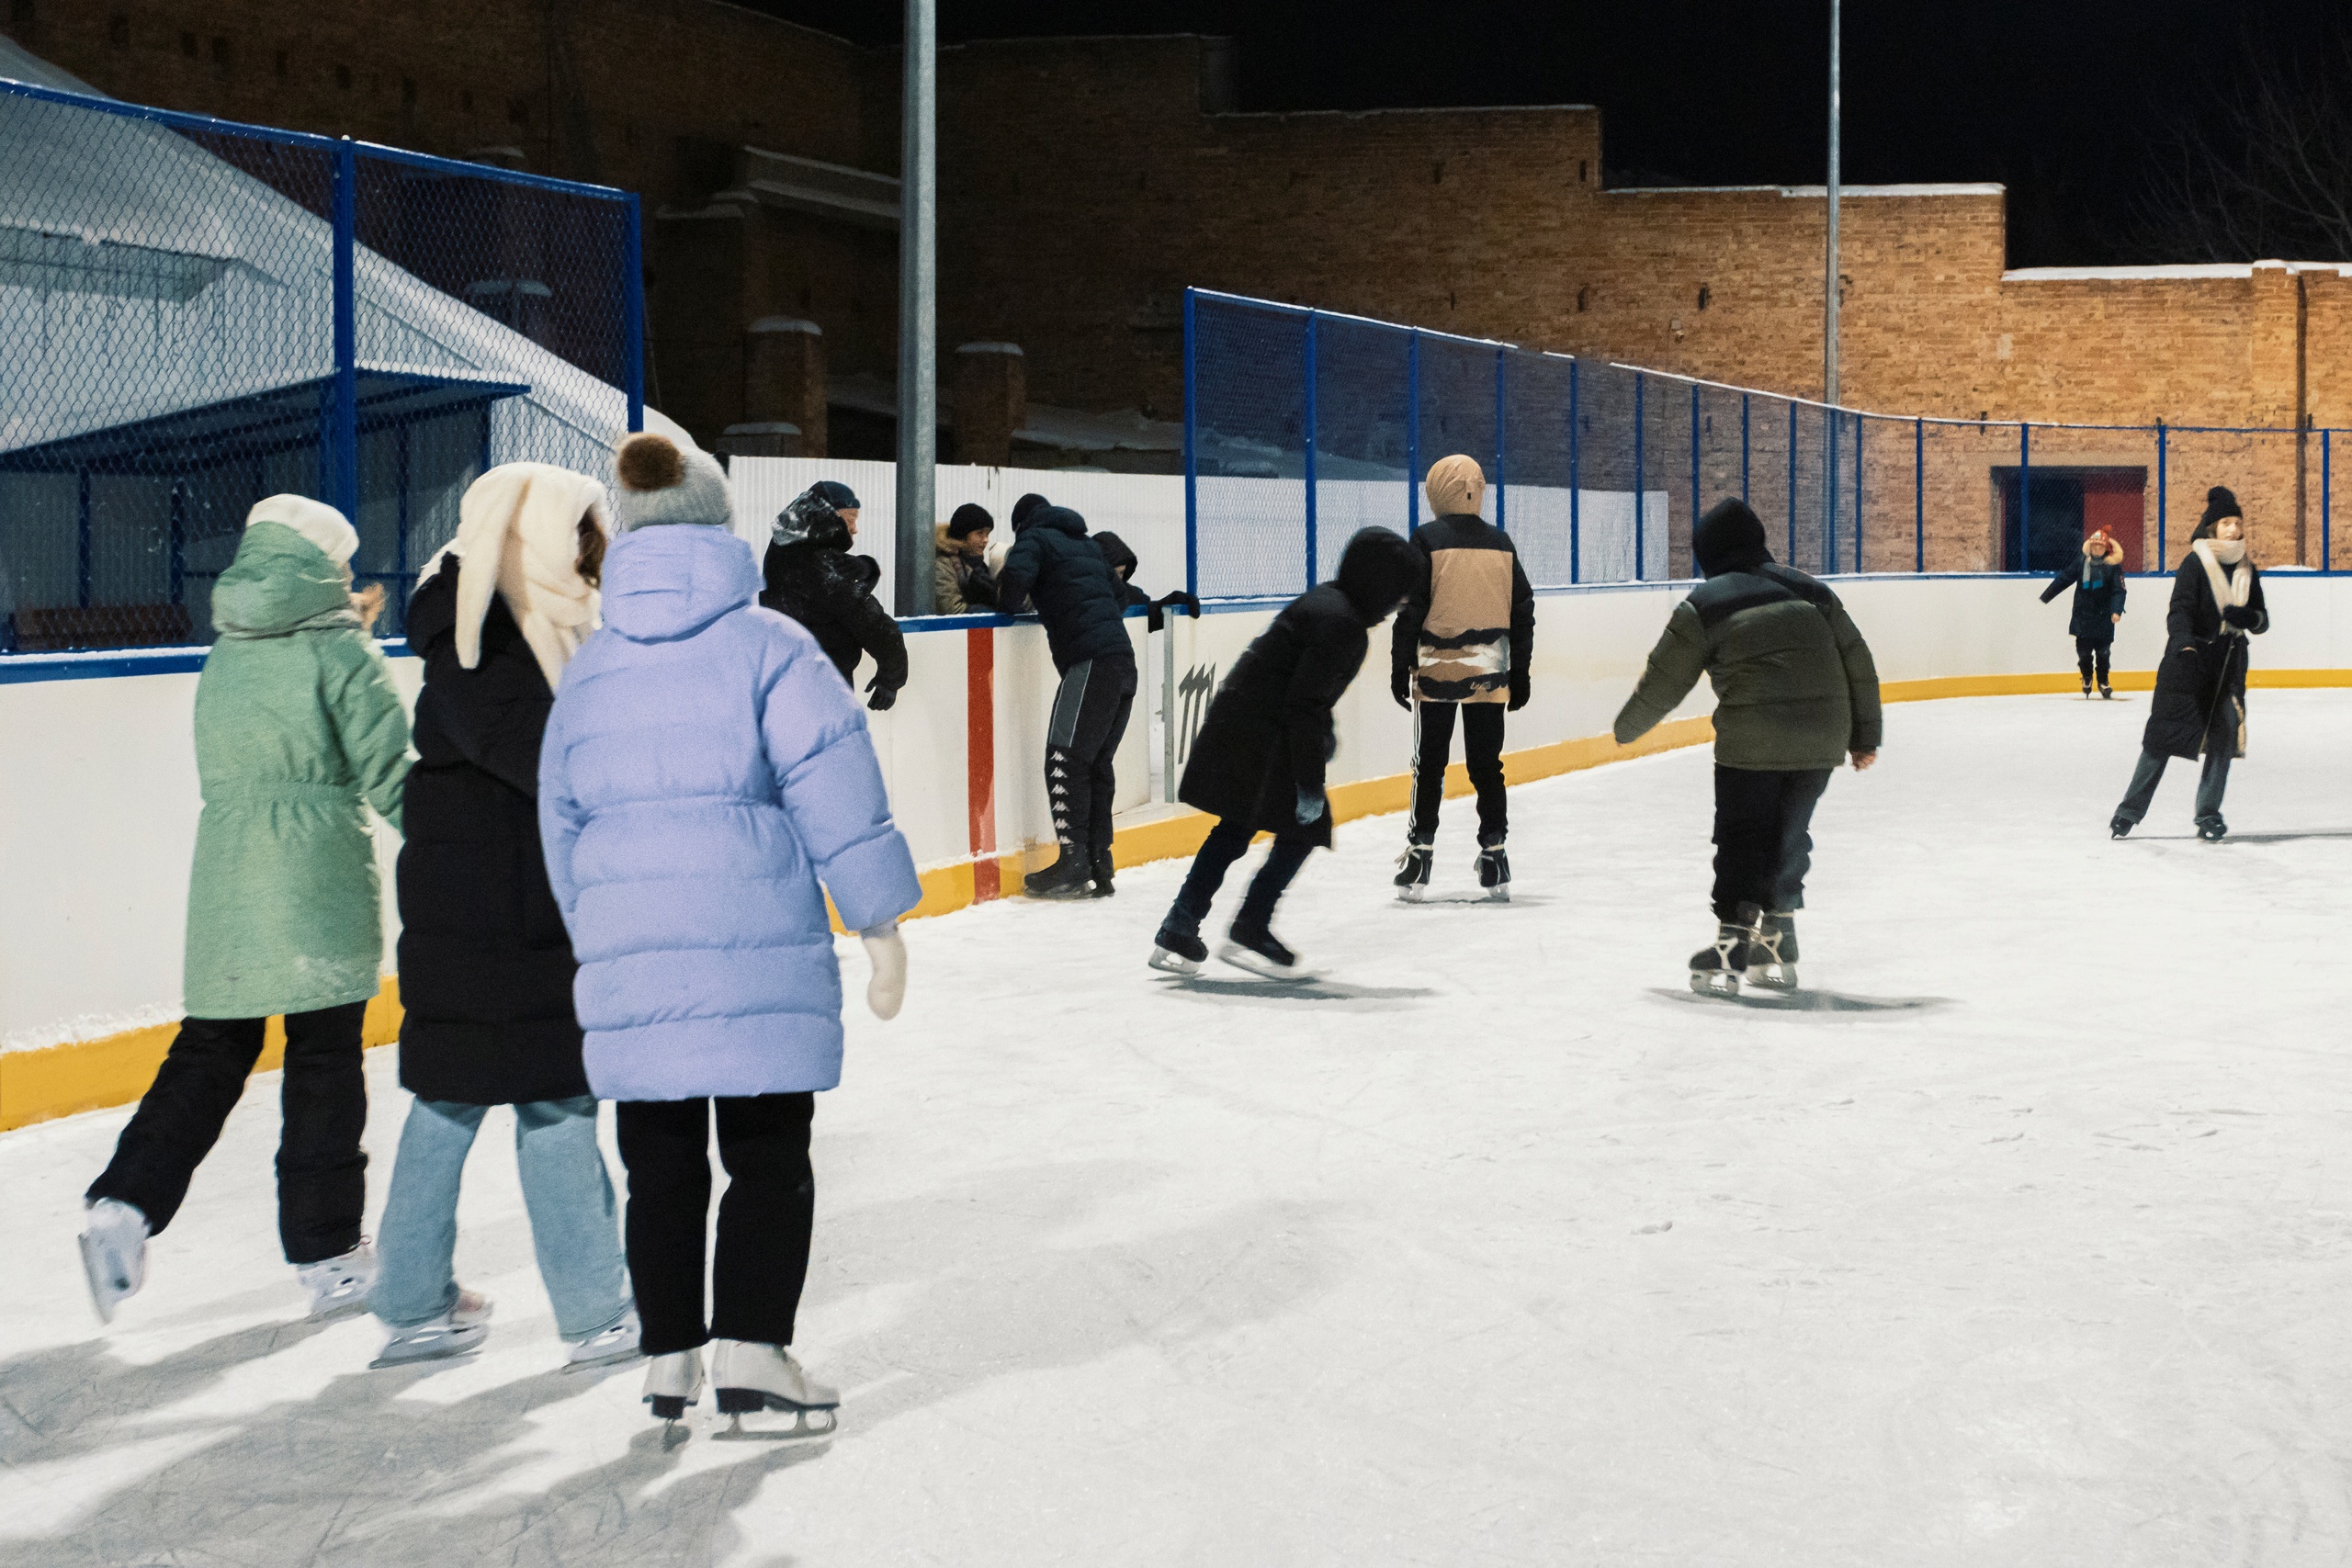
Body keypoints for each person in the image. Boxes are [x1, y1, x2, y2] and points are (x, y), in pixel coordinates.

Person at [539, 433, 921, 1437]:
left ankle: (669, 1361)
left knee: (659, 1165)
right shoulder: (772, 647)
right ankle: (752, 1355)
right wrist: (877, 920)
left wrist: (601, 935)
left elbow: (560, 822)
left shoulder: (592, 669)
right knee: (765, 1156)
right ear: (721, 530)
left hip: (631, 961)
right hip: (756, 947)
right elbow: (836, 789)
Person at [77, 496, 411, 1323]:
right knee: (325, 1061)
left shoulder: (227, 649)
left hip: (227, 878)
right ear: (324, 565)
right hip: (317, 879)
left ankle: (125, 1203)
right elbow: (390, 774)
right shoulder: (340, 648)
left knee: (212, 1048)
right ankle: (329, 1251)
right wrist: (464, 843)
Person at [368, 464, 637, 1371]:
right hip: (511, 923)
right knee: (555, 1103)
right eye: (583, 544)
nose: (594, 565)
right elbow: (554, 769)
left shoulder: (476, 634)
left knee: (447, 1099)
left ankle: (409, 1301)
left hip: (471, 917)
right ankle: (598, 1312)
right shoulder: (488, 646)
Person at [1612, 499, 1883, 998]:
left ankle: (1732, 943)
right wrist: (1866, 736)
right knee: (1789, 832)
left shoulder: (1707, 602)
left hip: (1752, 743)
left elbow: (1665, 680)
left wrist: (1626, 728)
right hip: (1822, 737)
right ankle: (1780, 937)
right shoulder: (1811, 589)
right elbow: (1858, 662)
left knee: (1740, 836)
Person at [1148, 527, 1426, 980]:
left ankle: (1182, 924)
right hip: (1262, 734)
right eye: (1400, 592)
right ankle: (1249, 925)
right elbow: (1304, 704)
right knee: (1305, 827)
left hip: (1244, 724)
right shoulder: (1343, 623)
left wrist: (1322, 735)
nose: (1403, 603)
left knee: (1236, 826)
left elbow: (1302, 690)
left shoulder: (1329, 603)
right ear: (1381, 582)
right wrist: (1310, 782)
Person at [1388, 454, 1536, 902]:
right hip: (1490, 674)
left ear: (1438, 489)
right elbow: (1523, 611)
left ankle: (1419, 858)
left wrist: (1399, 664)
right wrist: (1521, 671)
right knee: (1487, 767)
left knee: (1429, 766)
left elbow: (1410, 609)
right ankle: (1495, 856)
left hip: (1435, 671)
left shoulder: (1427, 539)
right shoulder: (1502, 544)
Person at [995, 493, 1137, 897]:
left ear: (1021, 523)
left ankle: (1073, 859)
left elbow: (1011, 590)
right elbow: (1121, 597)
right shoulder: (1088, 545)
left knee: (1064, 757)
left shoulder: (1034, 540)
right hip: (1123, 664)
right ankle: (1099, 860)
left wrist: (1032, 602)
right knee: (1095, 763)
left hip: (1090, 664)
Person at [2110, 488, 2267, 843]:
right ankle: (2128, 812)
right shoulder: (2194, 564)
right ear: (2211, 528)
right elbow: (2179, 609)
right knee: (2163, 738)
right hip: (2189, 662)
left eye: (2237, 523)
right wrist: (2183, 643)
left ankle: (2208, 814)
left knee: (2222, 741)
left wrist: (2249, 617)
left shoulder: (2246, 568)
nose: (2232, 529)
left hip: (2227, 665)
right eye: (2226, 523)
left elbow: (2262, 621)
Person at [762, 483, 908, 710]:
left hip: (782, 678)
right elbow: (869, 620)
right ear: (828, 517)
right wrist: (892, 676)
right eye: (850, 519)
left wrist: (867, 567)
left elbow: (830, 594)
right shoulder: (821, 562)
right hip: (825, 684)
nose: (855, 528)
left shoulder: (783, 549)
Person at [2040, 527, 2128, 698]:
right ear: (2090, 547)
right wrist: (2046, 596)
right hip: (2083, 615)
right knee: (2084, 652)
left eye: (2100, 547)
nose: (2097, 550)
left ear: (2106, 549)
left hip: (2103, 617)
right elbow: (2064, 579)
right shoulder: (2081, 562)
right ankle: (2087, 676)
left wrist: (2116, 610)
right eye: (2094, 546)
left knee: (2103, 653)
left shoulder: (2113, 567)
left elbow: (2119, 591)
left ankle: (2103, 681)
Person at [1093, 529, 1203, 631]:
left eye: (1121, 572)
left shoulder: (1130, 594)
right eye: (1113, 572)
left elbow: (1149, 615)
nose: (1118, 578)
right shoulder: (1082, 594)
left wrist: (1174, 603)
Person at [933, 502, 999, 615]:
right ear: (962, 535)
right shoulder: (943, 565)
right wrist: (987, 613)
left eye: (987, 534)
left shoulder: (978, 565)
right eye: (980, 533)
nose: (985, 540)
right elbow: (951, 609)